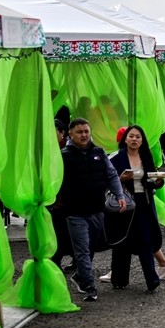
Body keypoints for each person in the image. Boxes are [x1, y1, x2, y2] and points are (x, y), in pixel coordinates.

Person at [58, 118, 127, 302]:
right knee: (81, 250)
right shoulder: (64, 156)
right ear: (70, 134)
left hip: (97, 210)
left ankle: (80, 276)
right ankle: (90, 287)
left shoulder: (98, 153)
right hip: (75, 213)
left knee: (91, 247)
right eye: (79, 132)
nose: (84, 135)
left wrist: (119, 195)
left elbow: (111, 174)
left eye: (86, 131)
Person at [107, 126, 164, 292]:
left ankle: (152, 280)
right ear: (125, 139)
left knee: (145, 240)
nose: (134, 139)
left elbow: (153, 180)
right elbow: (108, 179)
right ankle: (119, 279)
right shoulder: (117, 157)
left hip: (144, 203)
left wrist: (158, 181)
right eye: (131, 136)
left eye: (138, 137)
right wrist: (120, 179)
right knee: (122, 241)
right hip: (124, 203)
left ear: (142, 140)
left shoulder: (146, 155)